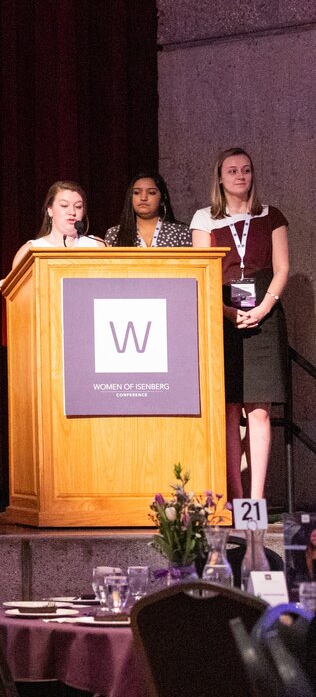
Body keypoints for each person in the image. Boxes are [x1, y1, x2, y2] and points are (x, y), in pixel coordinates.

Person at [191, 147, 290, 502]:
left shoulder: (271, 215)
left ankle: (255, 501)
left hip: (265, 314)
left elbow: (282, 269)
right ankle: (235, 498)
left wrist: (263, 308)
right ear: (220, 178)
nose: (240, 176)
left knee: (259, 410)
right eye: (232, 170)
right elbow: (202, 276)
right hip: (222, 313)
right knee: (230, 410)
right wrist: (229, 313)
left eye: (246, 170)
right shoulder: (204, 219)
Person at [0, 181, 104, 287]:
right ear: (50, 210)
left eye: (78, 206)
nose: (72, 212)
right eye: (64, 205)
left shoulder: (97, 246)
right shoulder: (30, 251)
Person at [104, 172, 193, 247]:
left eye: (151, 193)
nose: (143, 198)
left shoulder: (181, 232)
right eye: (136, 193)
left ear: (162, 199)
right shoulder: (115, 234)